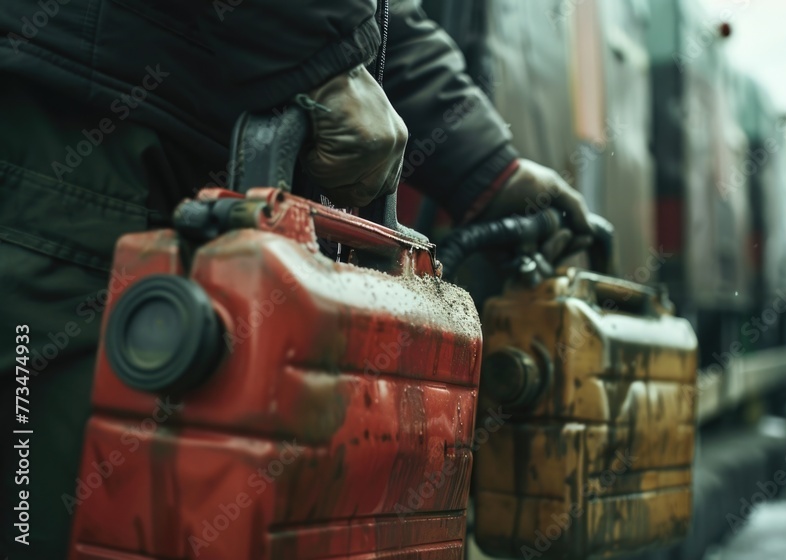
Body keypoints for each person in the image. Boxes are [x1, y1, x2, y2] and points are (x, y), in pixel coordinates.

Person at [0, 0, 590, 556]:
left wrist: (488, 167)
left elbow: (383, 14)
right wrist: (326, 64)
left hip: (160, 157)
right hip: (89, 147)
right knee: (56, 515)